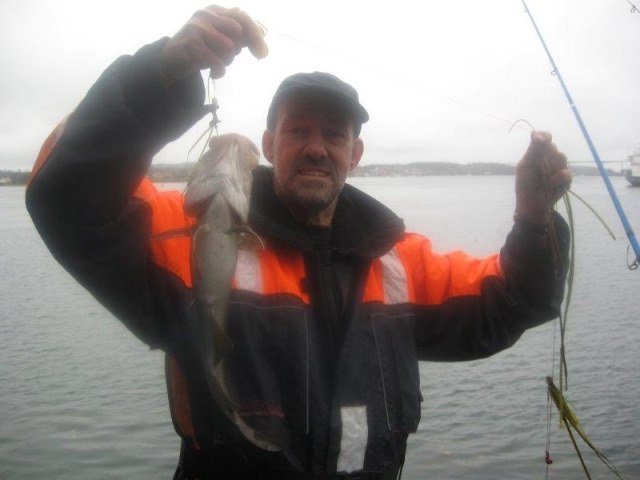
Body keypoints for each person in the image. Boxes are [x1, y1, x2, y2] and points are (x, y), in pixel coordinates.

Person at [26, 5, 571, 480]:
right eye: (297, 130)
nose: (316, 148)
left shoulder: (398, 261)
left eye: (334, 135)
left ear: (354, 155)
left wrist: (533, 217)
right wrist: (159, 75)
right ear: (269, 144)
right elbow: (66, 196)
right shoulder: (189, 231)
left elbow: (512, 301)